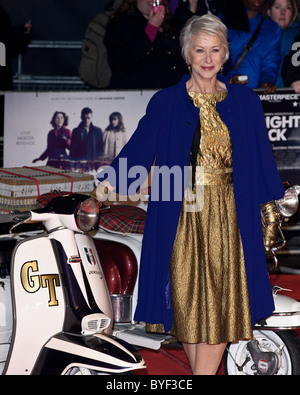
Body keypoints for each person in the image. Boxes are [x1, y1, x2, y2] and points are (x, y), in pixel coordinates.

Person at [93, 14, 285, 375]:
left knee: (221, 307)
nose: (208, 58)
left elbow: (261, 163)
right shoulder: (166, 102)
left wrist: (269, 215)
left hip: (230, 218)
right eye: (200, 50)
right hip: (180, 218)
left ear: (226, 54)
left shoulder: (245, 103)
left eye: (215, 50)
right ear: (187, 54)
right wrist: (99, 192)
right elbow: (138, 151)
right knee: (190, 310)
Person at [103, 0, 187, 89]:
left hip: (170, 91)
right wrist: (152, 28)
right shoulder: (121, 23)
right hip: (136, 94)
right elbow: (124, 58)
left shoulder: (169, 23)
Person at [221, 0, 282, 92]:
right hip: (227, 92)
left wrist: (267, 82)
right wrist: (230, 79)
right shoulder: (222, 23)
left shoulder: (272, 28)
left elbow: (270, 64)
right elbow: (216, 61)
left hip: (258, 95)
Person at [263, 0, 300, 88]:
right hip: (263, 92)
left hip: (293, 93)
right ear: (269, 11)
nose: (283, 12)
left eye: (288, 8)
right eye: (277, 7)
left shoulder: (298, 36)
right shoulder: (258, 35)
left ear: (293, 13)